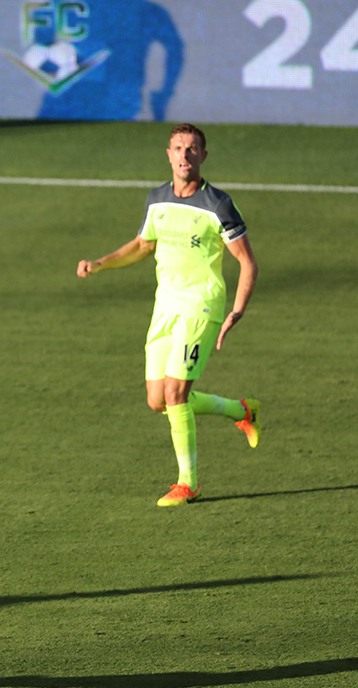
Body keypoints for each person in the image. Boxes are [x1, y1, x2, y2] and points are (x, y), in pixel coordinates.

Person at [76, 123, 260, 506]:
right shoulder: (157, 199)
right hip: (165, 308)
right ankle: (242, 410)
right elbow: (143, 245)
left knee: (176, 394)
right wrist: (100, 264)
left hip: (201, 306)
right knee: (158, 400)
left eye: (192, 149)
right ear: (168, 154)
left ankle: (187, 483)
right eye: (178, 148)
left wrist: (237, 311)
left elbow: (247, 262)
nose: (185, 155)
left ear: (203, 156)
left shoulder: (218, 204)